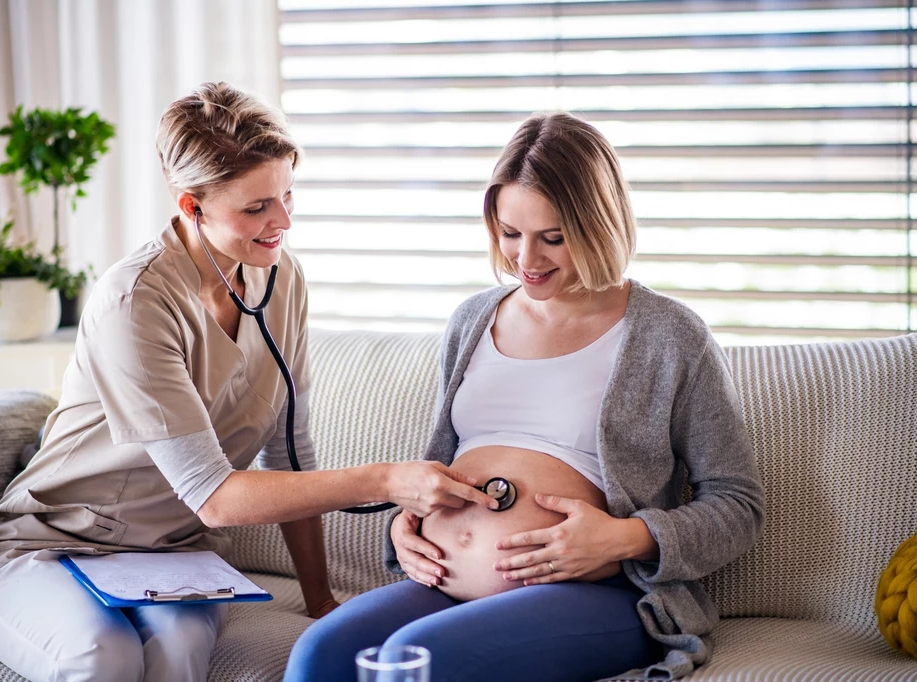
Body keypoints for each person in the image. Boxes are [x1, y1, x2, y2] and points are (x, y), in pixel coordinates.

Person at [0, 82, 496, 682]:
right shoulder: (134, 300)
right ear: (192, 207)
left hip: (167, 558)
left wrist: (320, 601)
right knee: (101, 656)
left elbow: (291, 458)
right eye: (256, 207)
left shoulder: (282, 279)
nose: (283, 221)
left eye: (288, 195)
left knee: (180, 650)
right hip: (50, 545)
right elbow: (214, 498)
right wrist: (386, 480)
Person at [284, 112, 766, 682]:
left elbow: (738, 504)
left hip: (599, 594)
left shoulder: (669, 335)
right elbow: (441, 467)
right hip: (444, 585)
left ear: (599, 225)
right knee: (320, 655)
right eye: (511, 234)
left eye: (553, 238)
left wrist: (625, 537)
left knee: (418, 659)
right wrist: (407, 524)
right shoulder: (472, 320)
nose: (527, 261)